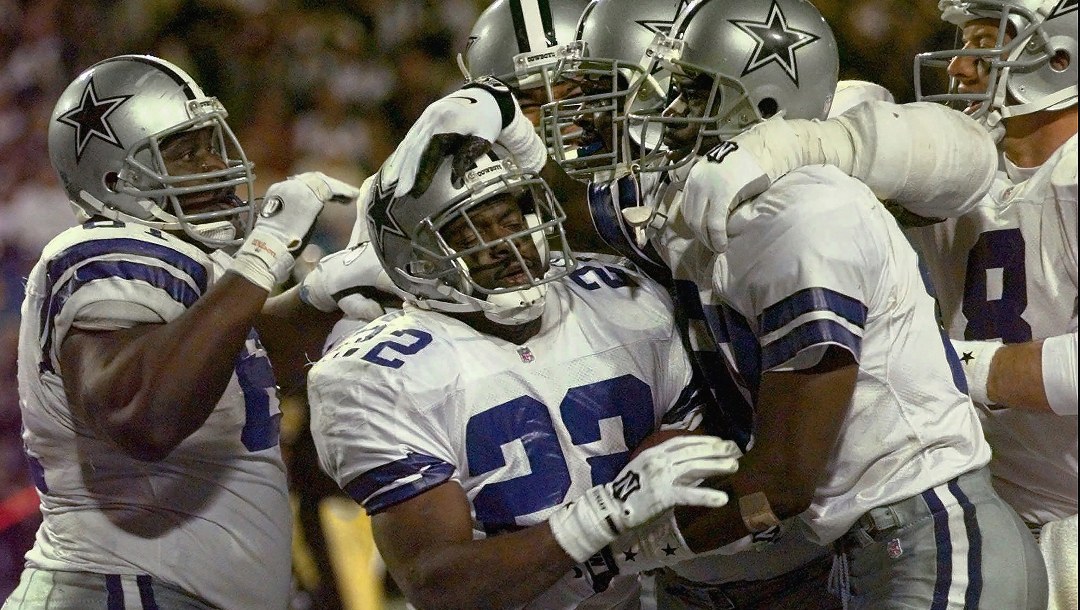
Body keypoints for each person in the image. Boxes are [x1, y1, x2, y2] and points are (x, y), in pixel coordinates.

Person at [380, 0, 1051, 607]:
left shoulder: (784, 164)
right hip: (762, 529)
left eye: (561, 93)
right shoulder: (614, 189)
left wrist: (792, 141)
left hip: (840, 513)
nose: (544, 125)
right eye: (517, 104)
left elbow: (967, 160)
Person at [306, 144, 741, 609]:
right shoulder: (378, 373)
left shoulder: (622, 299)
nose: (507, 244)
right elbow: (442, 584)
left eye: (512, 221)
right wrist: (604, 513)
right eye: (470, 233)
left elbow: (697, 455)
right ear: (415, 259)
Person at [4, 54, 355, 609]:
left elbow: (244, 362)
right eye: (187, 152)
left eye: (212, 142)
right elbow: (141, 413)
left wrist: (330, 293)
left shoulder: (199, 271)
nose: (216, 162)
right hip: (120, 593)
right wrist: (264, 253)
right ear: (117, 179)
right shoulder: (101, 251)